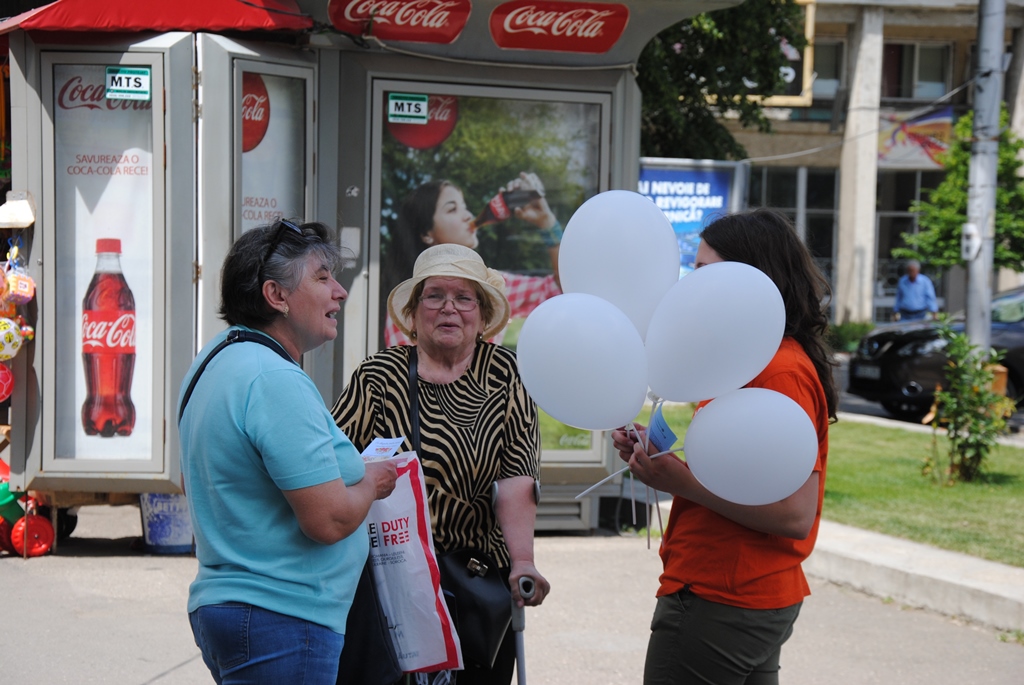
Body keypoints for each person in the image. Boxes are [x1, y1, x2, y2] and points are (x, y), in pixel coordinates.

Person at [612, 208, 837, 685]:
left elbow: (795, 515)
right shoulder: (747, 358)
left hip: (724, 595)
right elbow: (741, 472)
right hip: (732, 590)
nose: (693, 287)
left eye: (706, 272)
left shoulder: (777, 370)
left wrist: (682, 483)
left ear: (755, 277)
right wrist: (655, 453)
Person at [178, 219, 398, 684]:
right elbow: (329, 520)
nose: (339, 291)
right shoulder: (273, 378)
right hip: (283, 617)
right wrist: (373, 482)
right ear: (276, 296)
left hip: (237, 608)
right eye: (322, 277)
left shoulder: (214, 360)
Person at [332, 243, 551, 685]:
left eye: (463, 297)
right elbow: (334, 466)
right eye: (434, 295)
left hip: (475, 578)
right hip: (390, 582)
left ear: (482, 313)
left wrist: (523, 561)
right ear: (414, 313)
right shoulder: (378, 376)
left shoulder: (506, 374)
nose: (449, 308)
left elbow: (515, 479)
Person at [382, 173, 563, 347]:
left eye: (464, 206)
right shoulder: (406, 303)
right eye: (452, 209)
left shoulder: (492, 285)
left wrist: (547, 223)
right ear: (426, 234)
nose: (468, 215)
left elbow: (558, 289)